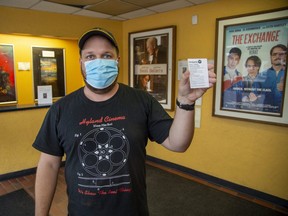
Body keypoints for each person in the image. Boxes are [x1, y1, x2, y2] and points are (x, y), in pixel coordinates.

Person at [33, 27, 216, 216]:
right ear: (80, 62)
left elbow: (177, 144)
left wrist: (186, 101)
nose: (99, 62)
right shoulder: (61, 109)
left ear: (117, 61)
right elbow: (49, 164)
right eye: (90, 56)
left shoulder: (142, 101)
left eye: (106, 55)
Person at [254, 44, 287, 113]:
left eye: (281, 54)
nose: (277, 56)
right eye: (274, 54)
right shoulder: (261, 75)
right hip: (265, 113)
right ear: (271, 57)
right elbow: (255, 93)